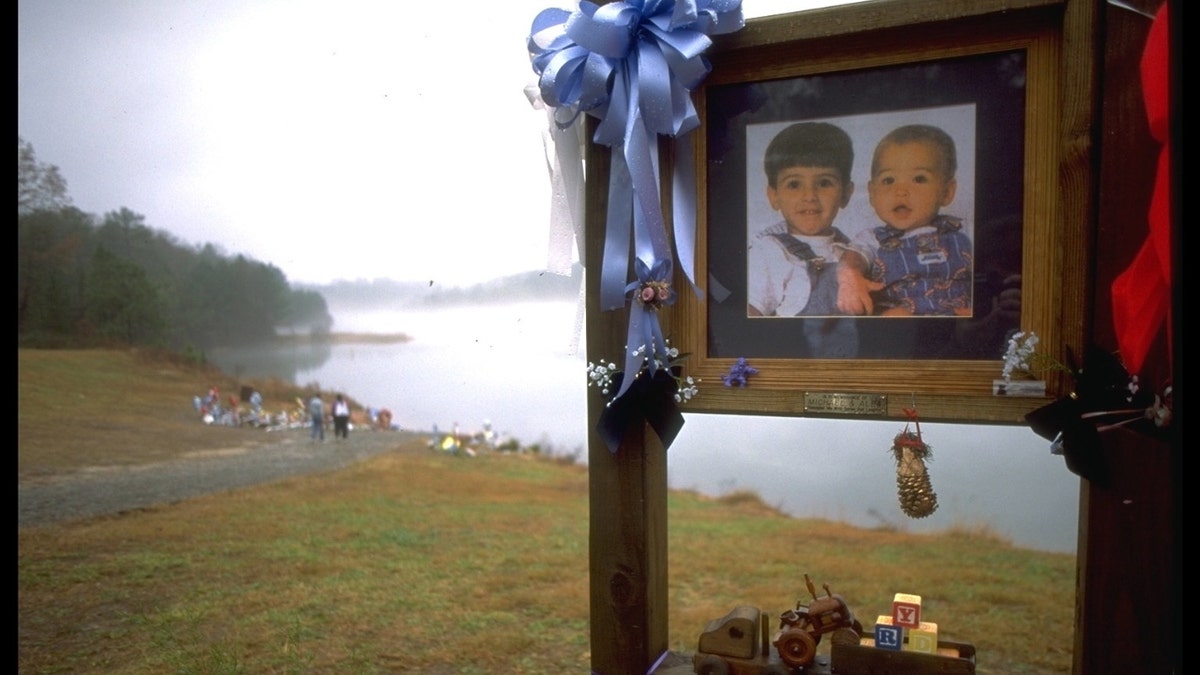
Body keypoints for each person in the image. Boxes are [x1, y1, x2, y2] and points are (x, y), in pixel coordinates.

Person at [746, 121, 864, 356]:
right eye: (794, 184)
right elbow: (752, 316)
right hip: (793, 361)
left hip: (852, 363)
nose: (809, 196)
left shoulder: (855, 252)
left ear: (846, 194)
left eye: (824, 182)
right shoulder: (768, 252)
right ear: (774, 196)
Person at [840, 124, 973, 317]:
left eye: (919, 179)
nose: (900, 191)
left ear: (946, 192)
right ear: (872, 193)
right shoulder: (872, 239)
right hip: (900, 318)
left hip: (959, 316)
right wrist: (849, 277)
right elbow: (853, 259)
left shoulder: (964, 229)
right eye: (888, 180)